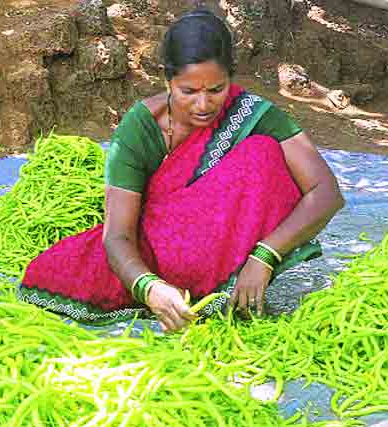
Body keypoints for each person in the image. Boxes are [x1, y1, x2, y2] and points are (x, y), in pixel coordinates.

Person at [20, 8, 344, 332]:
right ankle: (180, 295)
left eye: (216, 90)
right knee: (59, 271)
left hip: (229, 255)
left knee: (262, 154)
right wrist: (149, 287)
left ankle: (225, 288)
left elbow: (326, 192)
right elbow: (117, 234)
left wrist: (265, 256)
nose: (203, 105)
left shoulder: (250, 113)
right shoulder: (139, 129)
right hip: (154, 258)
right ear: (167, 79)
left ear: (230, 78)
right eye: (188, 91)